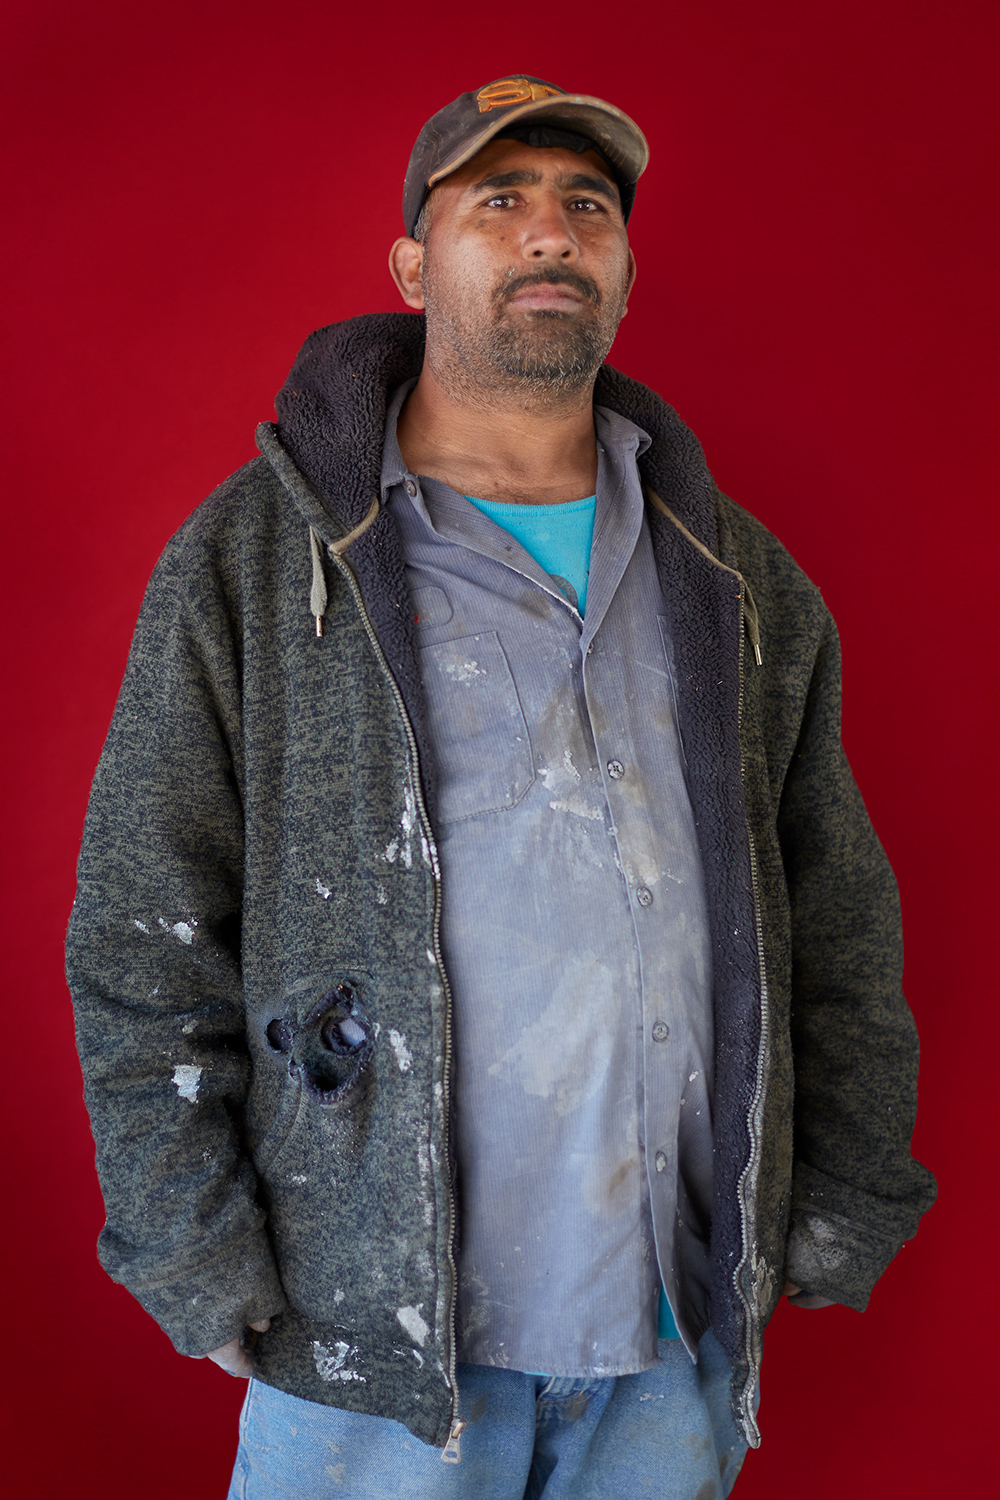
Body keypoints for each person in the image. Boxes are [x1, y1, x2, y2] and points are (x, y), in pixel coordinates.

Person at [67, 75, 936, 1499]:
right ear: (414, 268)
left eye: (588, 206)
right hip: (372, 1336)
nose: (550, 232)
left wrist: (839, 1191)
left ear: (624, 271)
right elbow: (140, 927)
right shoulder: (261, 560)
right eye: (499, 201)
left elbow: (835, 910)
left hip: (672, 1327)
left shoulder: (735, 578)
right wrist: (189, 1244)